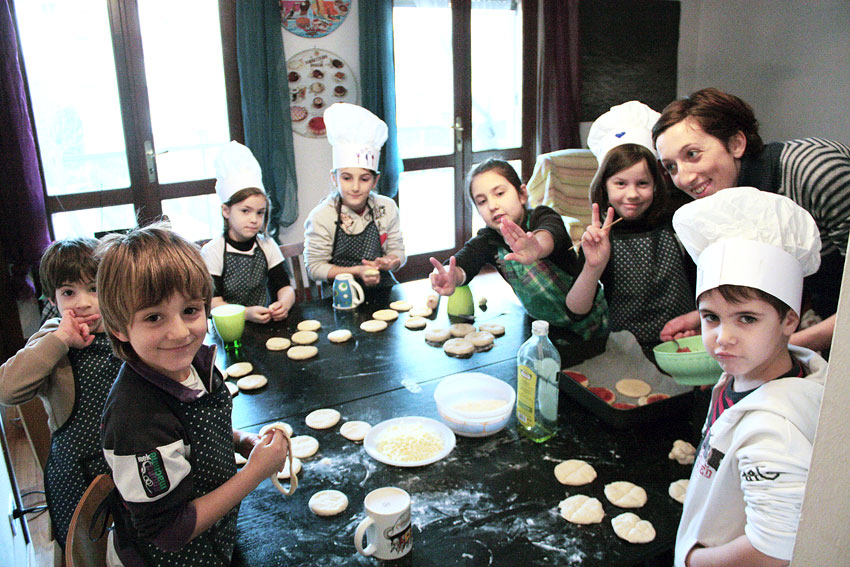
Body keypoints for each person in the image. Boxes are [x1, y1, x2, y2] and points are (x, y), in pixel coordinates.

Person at [97, 224, 289, 566]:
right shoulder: (137, 421)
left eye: (190, 310)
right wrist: (254, 473)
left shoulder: (192, 365)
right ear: (118, 326)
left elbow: (196, 429)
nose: (180, 332)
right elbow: (170, 531)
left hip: (217, 536)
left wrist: (241, 441)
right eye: (154, 317)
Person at [671, 187, 826, 567]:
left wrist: (692, 560)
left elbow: (772, 552)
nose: (723, 338)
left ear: (790, 319)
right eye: (711, 317)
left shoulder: (775, 432)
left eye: (747, 318)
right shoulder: (749, 374)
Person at [653, 87, 850, 352]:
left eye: (692, 154)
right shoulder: (726, 200)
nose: (684, 178)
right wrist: (713, 317)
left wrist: (785, 348)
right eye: (671, 167)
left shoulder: (817, 171)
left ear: (736, 143)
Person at [0, 237, 123, 551]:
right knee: (87, 548)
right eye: (69, 292)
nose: (82, 302)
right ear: (53, 299)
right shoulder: (51, 337)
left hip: (127, 461)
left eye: (93, 289)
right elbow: (7, 389)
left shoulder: (121, 329)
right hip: (77, 475)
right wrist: (59, 341)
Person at [430, 158, 608, 347]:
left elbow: (549, 233)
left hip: (588, 323)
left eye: (499, 193)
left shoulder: (542, 216)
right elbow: (466, 259)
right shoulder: (489, 239)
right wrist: (452, 276)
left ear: (522, 194)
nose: (492, 205)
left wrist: (537, 248)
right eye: (482, 201)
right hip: (541, 327)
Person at [566, 101, 694, 359]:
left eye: (643, 183)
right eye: (621, 183)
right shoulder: (600, 235)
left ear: (657, 184)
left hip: (687, 342)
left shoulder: (679, 220)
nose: (632, 194)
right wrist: (593, 266)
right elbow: (576, 310)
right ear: (604, 185)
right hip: (627, 352)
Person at [304, 103, 406, 289]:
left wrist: (391, 262)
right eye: (347, 178)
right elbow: (315, 267)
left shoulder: (386, 208)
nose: (355, 187)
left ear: (375, 181)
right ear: (334, 178)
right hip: (339, 291)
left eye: (365, 179)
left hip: (382, 286)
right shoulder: (321, 216)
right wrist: (357, 271)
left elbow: (398, 251)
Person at [201, 141, 296, 324]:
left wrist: (284, 304)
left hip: (266, 324)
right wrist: (245, 313)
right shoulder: (213, 251)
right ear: (226, 211)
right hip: (228, 329)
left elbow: (285, 287)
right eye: (245, 211)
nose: (254, 219)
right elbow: (213, 302)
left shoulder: (267, 245)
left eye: (260, 212)